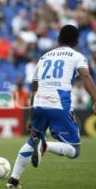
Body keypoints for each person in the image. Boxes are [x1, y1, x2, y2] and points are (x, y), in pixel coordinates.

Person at [5, 25, 96, 188]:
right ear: (76, 40)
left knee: (32, 141)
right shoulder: (77, 56)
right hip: (59, 103)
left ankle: (13, 180)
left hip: (39, 102)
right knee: (75, 150)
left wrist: (32, 115)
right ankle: (45, 145)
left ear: (59, 39)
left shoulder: (44, 57)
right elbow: (86, 75)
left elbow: (34, 85)